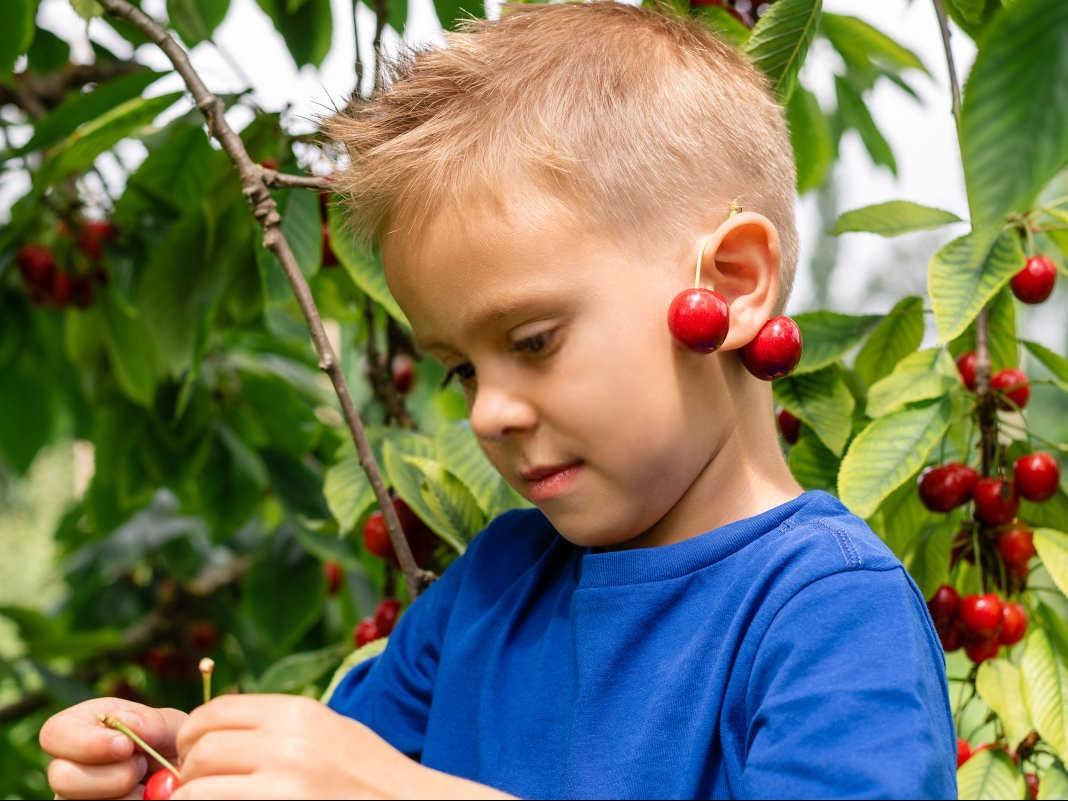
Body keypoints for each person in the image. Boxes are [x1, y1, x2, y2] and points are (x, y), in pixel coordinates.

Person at [39, 2, 957, 798]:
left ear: (730, 283)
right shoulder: (493, 586)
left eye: (532, 342)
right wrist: (189, 763)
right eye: (460, 369)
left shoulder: (825, 612)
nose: (487, 414)